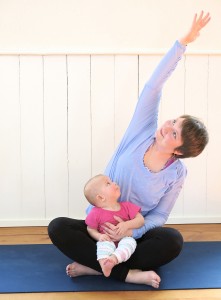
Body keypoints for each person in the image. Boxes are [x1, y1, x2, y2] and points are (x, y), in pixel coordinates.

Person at [48, 11, 210, 288]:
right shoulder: (142, 131)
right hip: (99, 231)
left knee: (173, 241)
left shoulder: (176, 174)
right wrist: (183, 43)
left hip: (132, 235)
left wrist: (129, 228)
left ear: (179, 151)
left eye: (174, 133)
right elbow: (153, 87)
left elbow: (159, 216)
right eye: (173, 121)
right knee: (58, 227)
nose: (167, 127)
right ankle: (127, 273)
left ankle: (96, 267)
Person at [84, 174, 145, 279]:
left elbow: (140, 221)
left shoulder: (126, 206)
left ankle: (113, 260)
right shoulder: (95, 213)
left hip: (124, 240)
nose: (114, 183)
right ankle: (105, 264)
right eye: (108, 183)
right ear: (101, 197)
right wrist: (99, 236)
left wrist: (126, 225)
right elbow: (90, 229)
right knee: (103, 245)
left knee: (130, 242)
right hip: (108, 241)